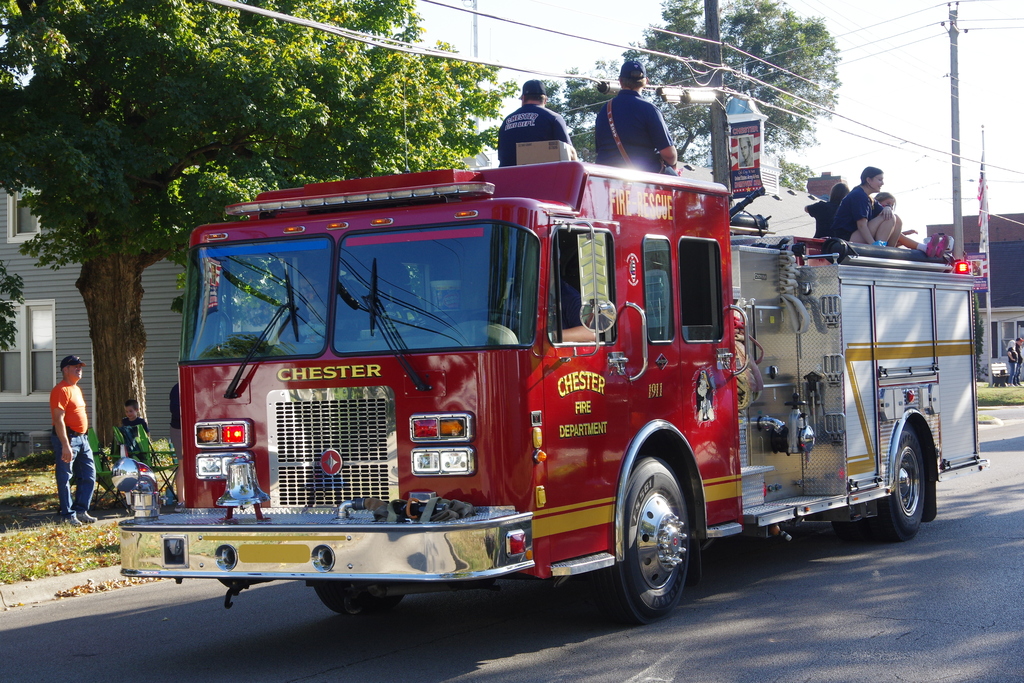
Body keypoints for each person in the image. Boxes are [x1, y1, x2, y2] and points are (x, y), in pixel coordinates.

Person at [595, 60, 678, 174]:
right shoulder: (649, 109)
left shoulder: (604, 110)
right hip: (642, 181)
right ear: (646, 82)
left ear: (620, 81)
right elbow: (669, 155)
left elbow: (600, 149)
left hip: (604, 179)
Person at [50, 355, 96, 526]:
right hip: (68, 439)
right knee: (65, 477)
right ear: (65, 370)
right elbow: (58, 419)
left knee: (89, 476)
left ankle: (81, 510)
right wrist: (65, 445)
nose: (79, 368)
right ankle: (67, 515)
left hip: (83, 439)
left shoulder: (76, 389)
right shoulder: (60, 390)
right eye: (75, 366)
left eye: (80, 366)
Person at [497, 80, 575, 167]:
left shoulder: (506, 121)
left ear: (523, 98)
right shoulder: (553, 118)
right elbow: (569, 152)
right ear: (545, 100)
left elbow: (501, 155)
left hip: (508, 177)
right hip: (543, 176)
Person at [169, 382, 184, 506]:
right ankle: (181, 501)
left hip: (198, 429)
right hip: (179, 429)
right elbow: (175, 410)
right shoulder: (177, 389)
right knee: (183, 464)